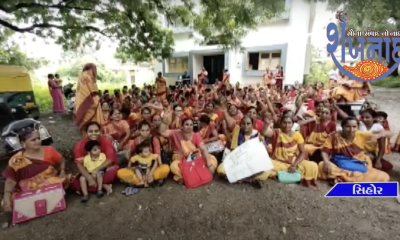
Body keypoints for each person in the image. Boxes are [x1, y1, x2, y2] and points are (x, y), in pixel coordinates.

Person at [1, 125, 70, 212]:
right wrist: (7, 195)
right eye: (33, 140)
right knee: (6, 202)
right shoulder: (17, 160)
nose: (37, 141)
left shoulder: (49, 150)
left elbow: (61, 160)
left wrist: (62, 170)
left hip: (49, 184)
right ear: (23, 143)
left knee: (59, 182)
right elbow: (11, 180)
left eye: (38, 138)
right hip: (27, 190)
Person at [318, 117, 390, 183]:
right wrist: (326, 161)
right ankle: (351, 177)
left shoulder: (361, 135)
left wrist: (380, 135)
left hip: (358, 161)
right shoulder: (334, 136)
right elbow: (325, 151)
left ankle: (342, 177)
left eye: (354, 127)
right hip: (340, 161)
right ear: (342, 127)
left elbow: (386, 133)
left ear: (357, 127)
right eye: (348, 127)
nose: (351, 130)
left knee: (384, 177)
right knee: (322, 165)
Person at [159, 113, 218, 183]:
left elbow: (203, 148)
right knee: (173, 166)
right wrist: (165, 122)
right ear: (182, 126)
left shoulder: (196, 135)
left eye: (191, 125)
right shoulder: (175, 132)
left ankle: (189, 175)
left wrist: (209, 164)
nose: (189, 127)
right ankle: (194, 174)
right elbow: (162, 132)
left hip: (194, 156)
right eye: (186, 125)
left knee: (212, 159)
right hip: (180, 158)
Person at [117, 120, 170, 186]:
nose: (145, 133)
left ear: (150, 130)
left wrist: (150, 174)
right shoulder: (136, 141)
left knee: (165, 169)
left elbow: (157, 157)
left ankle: (145, 179)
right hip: (140, 168)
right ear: (139, 131)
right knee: (120, 172)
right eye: (143, 130)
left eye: (147, 130)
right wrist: (129, 153)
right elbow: (132, 155)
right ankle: (143, 180)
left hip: (153, 167)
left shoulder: (154, 140)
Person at [70, 121, 119, 193]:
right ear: (86, 133)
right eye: (91, 131)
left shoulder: (105, 141)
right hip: (88, 171)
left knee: (111, 174)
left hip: (103, 170)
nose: (94, 133)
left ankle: (92, 187)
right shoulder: (79, 145)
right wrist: (89, 178)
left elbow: (110, 159)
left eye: (96, 131)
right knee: (73, 184)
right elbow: (79, 164)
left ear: (100, 131)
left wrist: (96, 171)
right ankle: (102, 186)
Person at [74, 63, 104, 131]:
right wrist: (97, 98)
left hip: (81, 101)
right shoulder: (88, 76)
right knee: (93, 123)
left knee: (86, 125)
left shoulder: (81, 76)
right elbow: (91, 91)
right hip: (90, 102)